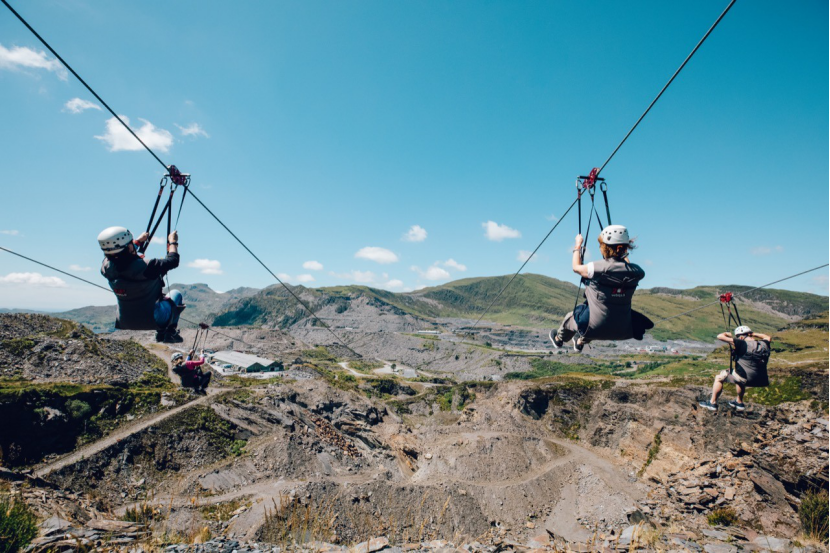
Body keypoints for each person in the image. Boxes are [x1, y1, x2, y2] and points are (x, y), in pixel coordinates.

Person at [550, 225, 652, 352]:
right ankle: (580, 341)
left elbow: (576, 267)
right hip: (623, 328)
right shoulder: (637, 272)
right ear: (626, 247)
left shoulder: (597, 268)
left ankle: (559, 340)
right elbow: (627, 265)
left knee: (574, 316)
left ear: (605, 247)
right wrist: (622, 255)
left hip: (593, 327)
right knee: (593, 317)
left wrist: (577, 245)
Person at [98, 226, 184, 342]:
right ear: (129, 246)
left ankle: (165, 332)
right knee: (176, 294)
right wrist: (173, 242)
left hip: (124, 320)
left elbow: (119, 255)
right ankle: (168, 331)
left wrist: (138, 242)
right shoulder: (148, 266)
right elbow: (173, 260)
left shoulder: (105, 268)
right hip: (154, 319)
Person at [699, 326, 771, 411]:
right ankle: (739, 402)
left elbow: (720, 336)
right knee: (737, 374)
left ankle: (712, 403)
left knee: (719, 377)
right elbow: (767, 337)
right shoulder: (764, 344)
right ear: (749, 334)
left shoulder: (741, 343)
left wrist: (726, 334)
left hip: (745, 379)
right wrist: (753, 334)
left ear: (740, 337)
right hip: (761, 380)